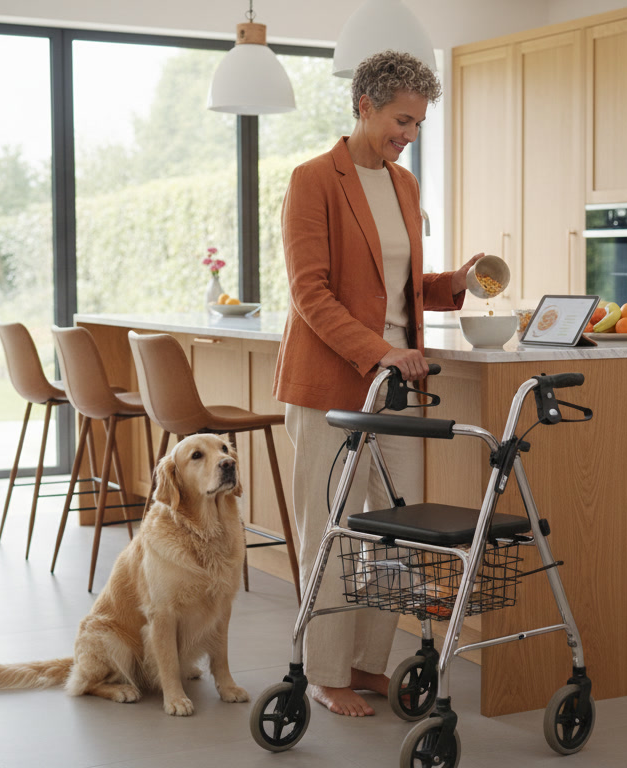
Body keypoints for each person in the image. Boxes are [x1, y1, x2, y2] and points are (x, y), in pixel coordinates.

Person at [272, 50, 481, 717]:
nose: (409, 135)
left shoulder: (404, 185)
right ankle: (323, 673)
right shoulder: (314, 180)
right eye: (401, 120)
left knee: (398, 528)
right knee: (332, 527)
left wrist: (457, 284)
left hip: (396, 388)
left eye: (418, 124)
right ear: (365, 105)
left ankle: (366, 664)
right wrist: (382, 351)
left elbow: (399, 288)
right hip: (330, 385)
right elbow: (312, 291)